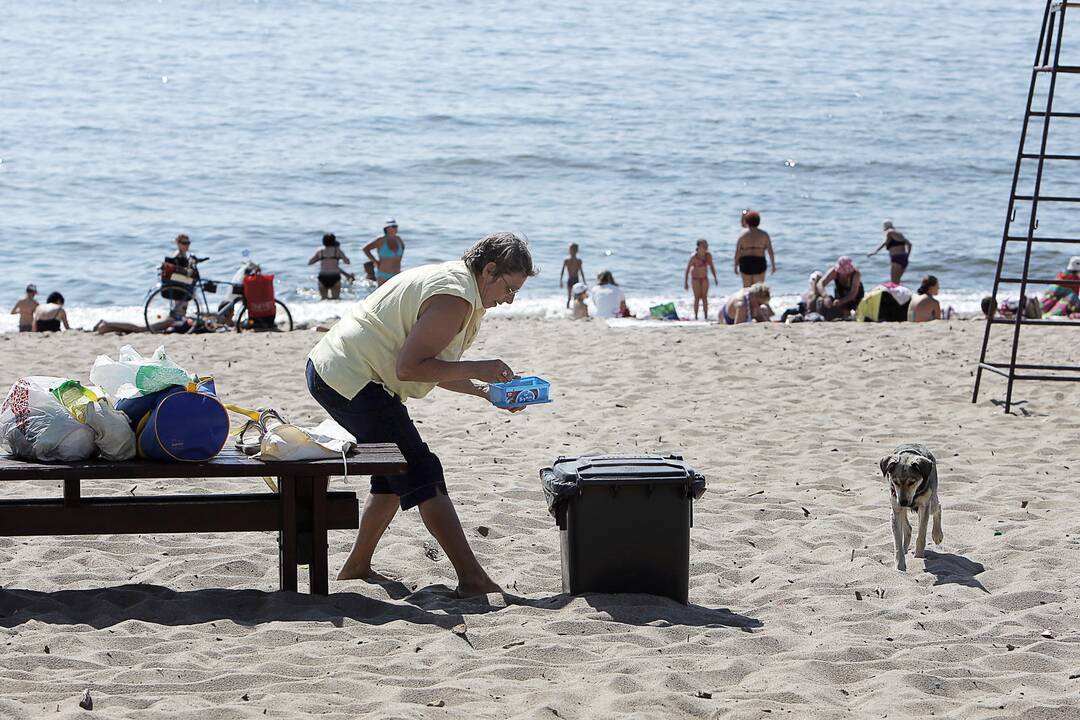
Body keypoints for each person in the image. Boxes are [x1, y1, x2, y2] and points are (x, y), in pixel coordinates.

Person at [306, 232, 536, 596]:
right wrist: (480, 367)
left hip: (345, 372)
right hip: (347, 377)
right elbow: (410, 368)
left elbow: (434, 367)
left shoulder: (460, 287)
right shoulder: (454, 298)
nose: (508, 301)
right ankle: (472, 578)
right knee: (421, 469)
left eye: (516, 293)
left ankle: (356, 566)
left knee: (397, 466)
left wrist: (485, 391)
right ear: (489, 270)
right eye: (509, 289)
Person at [734, 209, 776, 288]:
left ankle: (746, 301)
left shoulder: (742, 235)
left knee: (746, 289)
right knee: (758, 290)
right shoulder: (764, 234)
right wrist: (773, 265)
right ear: (758, 221)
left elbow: (738, 252)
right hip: (759, 262)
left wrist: (735, 266)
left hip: (745, 262)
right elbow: (770, 251)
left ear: (747, 221)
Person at [309, 233, 353, 300]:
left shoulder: (320, 251)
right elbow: (347, 262)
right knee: (336, 299)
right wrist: (338, 258)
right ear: (334, 241)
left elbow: (310, 262)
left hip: (323, 276)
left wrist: (321, 258)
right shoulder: (337, 251)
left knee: (323, 299)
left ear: (323, 241)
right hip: (334, 276)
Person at [684, 239, 719, 320]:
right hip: (695, 279)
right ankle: (696, 317)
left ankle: (706, 316)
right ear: (699, 246)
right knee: (696, 298)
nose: (706, 247)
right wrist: (686, 282)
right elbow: (687, 269)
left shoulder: (708, 256)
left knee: (704, 297)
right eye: (704, 246)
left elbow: (712, 267)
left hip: (704, 278)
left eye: (707, 245)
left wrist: (715, 278)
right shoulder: (694, 257)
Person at [363, 218, 405, 286]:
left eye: (396, 226)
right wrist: (375, 261)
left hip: (397, 275)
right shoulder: (381, 240)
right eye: (393, 226)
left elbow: (403, 248)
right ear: (387, 228)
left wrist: (399, 260)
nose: (396, 228)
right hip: (384, 275)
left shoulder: (398, 239)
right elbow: (365, 249)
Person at [560, 243, 586, 309]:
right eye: (570, 250)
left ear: (576, 251)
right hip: (570, 280)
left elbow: (581, 271)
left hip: (576, 280)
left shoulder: (579, 261)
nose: (571, 251)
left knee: (576, 297)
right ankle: (567, 310)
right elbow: (562, 271)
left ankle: (575, 310)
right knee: (569, 298)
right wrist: (561, 281)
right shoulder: (566, 260)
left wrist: (584, 281)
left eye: (573, 250)